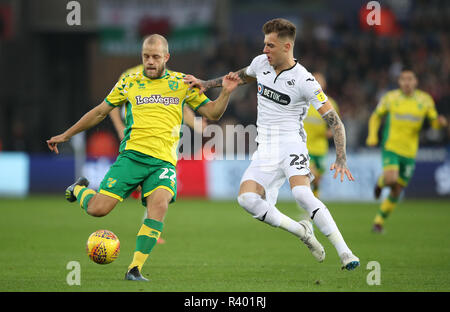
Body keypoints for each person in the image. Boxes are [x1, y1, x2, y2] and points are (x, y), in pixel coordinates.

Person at [47, 34, 240, 281]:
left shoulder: (182, 83)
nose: (150, 61)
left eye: (155, 57)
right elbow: (99, 112)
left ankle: (134, 268)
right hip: (132, 158)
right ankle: (78, 190)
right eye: (146, 56)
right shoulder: (129, 82)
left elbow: (212, 113)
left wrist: (225, 93)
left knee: (158, 205)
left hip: (163, 162)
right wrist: (66, 135)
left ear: (166, 57)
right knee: (98, 210)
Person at [185, 18, 360, 270]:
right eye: (264, 44)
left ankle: (346, 253)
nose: (264, 50)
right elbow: (237, 76)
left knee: (302, 194)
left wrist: (341, 157)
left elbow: (335, 121)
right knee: (246, 199)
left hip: (291, 144)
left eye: (270, 46)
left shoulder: (305, 80)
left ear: (287, 47)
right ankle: (302, 232)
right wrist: (206, 83)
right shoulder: (260, 64)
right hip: (265, 148)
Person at [109, 64, 208, 244]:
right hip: (135, 132)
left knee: (160, 183)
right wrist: (119, 128)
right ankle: (142, 205)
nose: (154, 60)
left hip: (164, 137)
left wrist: (196, 124)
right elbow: (113, 105)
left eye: (158, 56)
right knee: (145, 181)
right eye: (150, 55)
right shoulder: (130, 75)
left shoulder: (171, 78)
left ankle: (149, 225)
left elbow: (182, 107)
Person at [366, 69, 448, 233]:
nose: (407, 82)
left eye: (410, 79)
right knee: (391, 178)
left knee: (397, 189)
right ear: (399, 82)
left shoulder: (425, 100)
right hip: (391, 147)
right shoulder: (390, 98)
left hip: (410, 152)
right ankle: (381, 183)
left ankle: (378, 222)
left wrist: (440, 123)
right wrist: (372, 135)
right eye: (403, 79)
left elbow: (433, 122)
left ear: (416, 82)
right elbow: (376, 116)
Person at [303, 72, 339, 198]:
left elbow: (335, 126)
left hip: (320, 148)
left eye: (320, 81)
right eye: (314, 80)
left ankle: (313, 207)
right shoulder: (303, 102)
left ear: (324, 84)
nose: (317, 83)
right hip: (304, 147)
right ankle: (308, 203)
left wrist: (328, 132)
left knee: (317, 180)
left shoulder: (330, 103)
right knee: (311, 176)